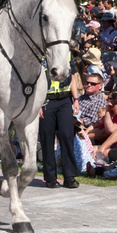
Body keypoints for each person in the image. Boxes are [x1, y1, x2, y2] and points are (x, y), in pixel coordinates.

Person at [39, 53, 81, 189]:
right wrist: (37, 104)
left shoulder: (67, 54)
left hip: (64, 100)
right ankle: (50, 177)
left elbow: (73, 77)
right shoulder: (40, 55)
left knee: (67, 135)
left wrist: (76, 99)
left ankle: (69, 176)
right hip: (46, 101)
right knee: (47, 138)